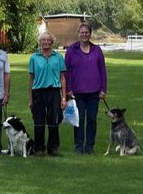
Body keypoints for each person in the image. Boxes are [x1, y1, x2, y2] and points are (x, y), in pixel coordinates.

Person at [64, 23, 107, 155]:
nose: (84, 35)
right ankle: (79, 146)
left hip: (94, 92)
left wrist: (103, 89)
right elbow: (66, 72)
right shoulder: (71, 50)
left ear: (90, 34)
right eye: (82, 32)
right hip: (77, 92)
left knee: (92, 120)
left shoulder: (97, 50)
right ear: (78, 34)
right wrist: (68, 89)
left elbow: (102, 70)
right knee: (79, 119)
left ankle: (90, 146)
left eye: (86, 32)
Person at [29, 32, 67, 157]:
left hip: (54, 91)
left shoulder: (58, 57)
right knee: (39, 122)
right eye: (43, 40)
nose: (45, 42)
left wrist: (64, 97)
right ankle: (39, 147)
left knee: (53, 121)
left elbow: (62, 78)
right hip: (38, 92)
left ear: (52, 42)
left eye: (48, 40)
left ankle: (53, 147)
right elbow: (31, 79)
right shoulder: (34, 57)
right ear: (40, 42)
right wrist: (30, 99)